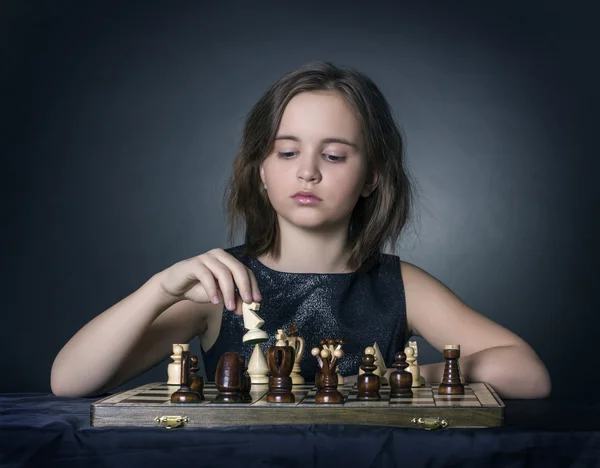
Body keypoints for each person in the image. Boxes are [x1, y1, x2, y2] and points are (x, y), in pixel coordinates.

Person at [50, 61, 551, 399]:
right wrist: (158, 289)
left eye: (333, 155)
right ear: (261, 172)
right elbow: (69, 381)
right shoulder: (221, 287)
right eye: (287, 152)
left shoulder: (400, 286)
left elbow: (528, 373)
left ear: (373, 177)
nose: (307, 171)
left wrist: (405, 377)